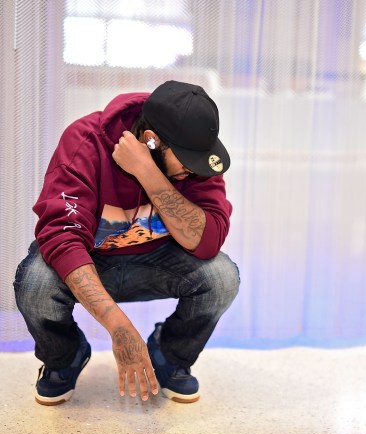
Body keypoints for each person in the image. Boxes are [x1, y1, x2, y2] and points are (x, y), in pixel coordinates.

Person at [14, 80, 240, 406]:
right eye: (187, 160)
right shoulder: (85, 141)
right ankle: (65, 357)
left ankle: (169, 356)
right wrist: (119, 327)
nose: (194, 170)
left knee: (222, 277)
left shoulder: (192, 155)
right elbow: (62, 237)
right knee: (34, 283)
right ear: (150, 139)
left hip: (157, 260)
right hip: (92, 260)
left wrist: (148, 171)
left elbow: (208, 241)